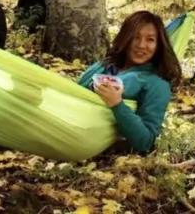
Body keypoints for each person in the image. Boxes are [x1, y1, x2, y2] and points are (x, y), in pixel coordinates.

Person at [78, 11, 181, 154]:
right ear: (126, 38)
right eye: (135, 37)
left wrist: (117, 105)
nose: (141, 45)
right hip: (68, 124)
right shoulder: (104, 66)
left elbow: (146, 142)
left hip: (90, 146)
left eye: (150, 39)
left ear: (158, 45)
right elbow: (74, 92)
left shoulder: (157, 84)